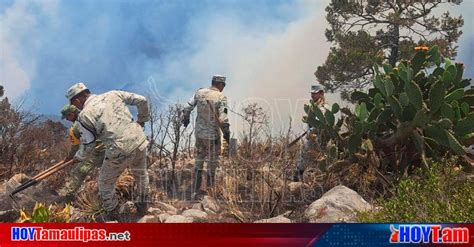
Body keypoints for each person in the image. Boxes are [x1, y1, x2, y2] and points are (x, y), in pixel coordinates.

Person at [64, 82, 150, 220]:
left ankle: (115, 215)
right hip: (139, 139)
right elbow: (142, 100)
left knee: (105, 183)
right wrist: (142, 120)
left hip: (119, 150)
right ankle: (144, 206)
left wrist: (78, 157)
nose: (76, 107)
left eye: (74, 104)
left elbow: (89, 145)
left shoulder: (84, 116)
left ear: (77, 100)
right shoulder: (113, 94)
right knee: (141, 174)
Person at [182, 75, 230, 199]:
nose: (223, 88)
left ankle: (196, 187)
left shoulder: (199, 92)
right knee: (212, 161)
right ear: (220, 85)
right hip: (212, 136)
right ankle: (208, 190)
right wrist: (227, 132)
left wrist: (186, 119)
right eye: (223, 86)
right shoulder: (221, 97)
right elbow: (223, 117)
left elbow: (187, 107)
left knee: (199, 158)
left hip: (199, 134)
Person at [58, 104, 106, 201]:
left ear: (71, 114)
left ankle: (68, 196)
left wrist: (69, 158)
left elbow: (75, 146)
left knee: (78, 172)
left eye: (67, 117)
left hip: (98, 151)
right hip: (108, 146)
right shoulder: (89, 116)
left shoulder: (76, 127)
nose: (67, 119)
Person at [293, 84, 329, 182]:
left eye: (315, 93)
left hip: (317, 137)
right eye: (312, 93)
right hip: (313, 137)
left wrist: (311, 131)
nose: (312, 95)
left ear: (321, 94)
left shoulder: (323, 107)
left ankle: (296, 179)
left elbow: (319, 123)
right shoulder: (314, 106)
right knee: (310, 158)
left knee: (306, 156)